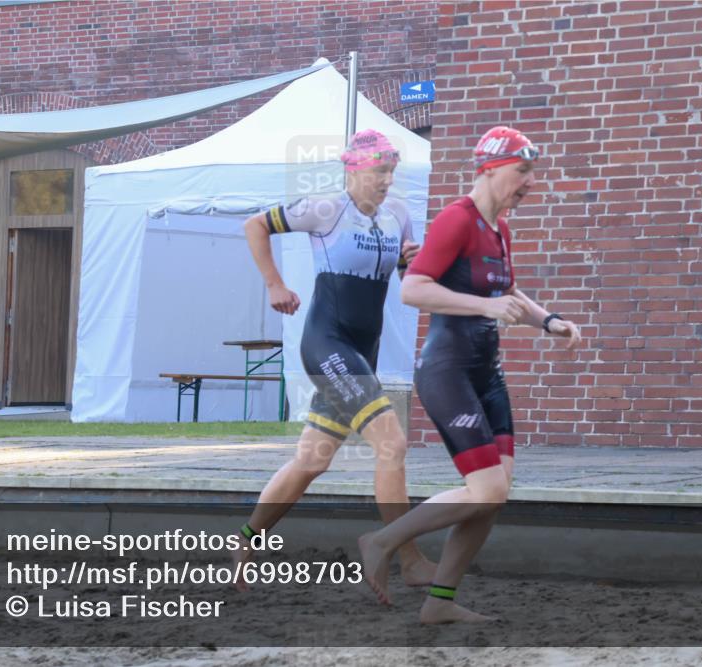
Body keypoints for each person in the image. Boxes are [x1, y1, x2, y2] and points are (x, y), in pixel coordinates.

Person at [358, 126, 582, 623]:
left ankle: (439, 604)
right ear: (489, 169)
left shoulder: (500, 228)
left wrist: (548, 320)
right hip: (448, 372)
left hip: (488, 374)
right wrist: (484, 304)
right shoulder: (456, 220)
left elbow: (509, 296)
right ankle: (383, 540)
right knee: (487, 491)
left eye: (530, 174)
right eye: (521, 172)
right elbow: (414, 289)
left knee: (491, 499)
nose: (528, 184)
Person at [231, 129, 437, 591]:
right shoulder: (325, 208)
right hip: (327, 345)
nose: (387, 179)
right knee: (393, 444)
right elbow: (255, 225)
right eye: (379, 170)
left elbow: (408, 285)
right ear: (353, 169)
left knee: (312, 460)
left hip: (363, 349)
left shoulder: (398, 215)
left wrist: (415, 263)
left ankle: (245, 540)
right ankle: (407, 557)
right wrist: (274, 284)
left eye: (391, 170)